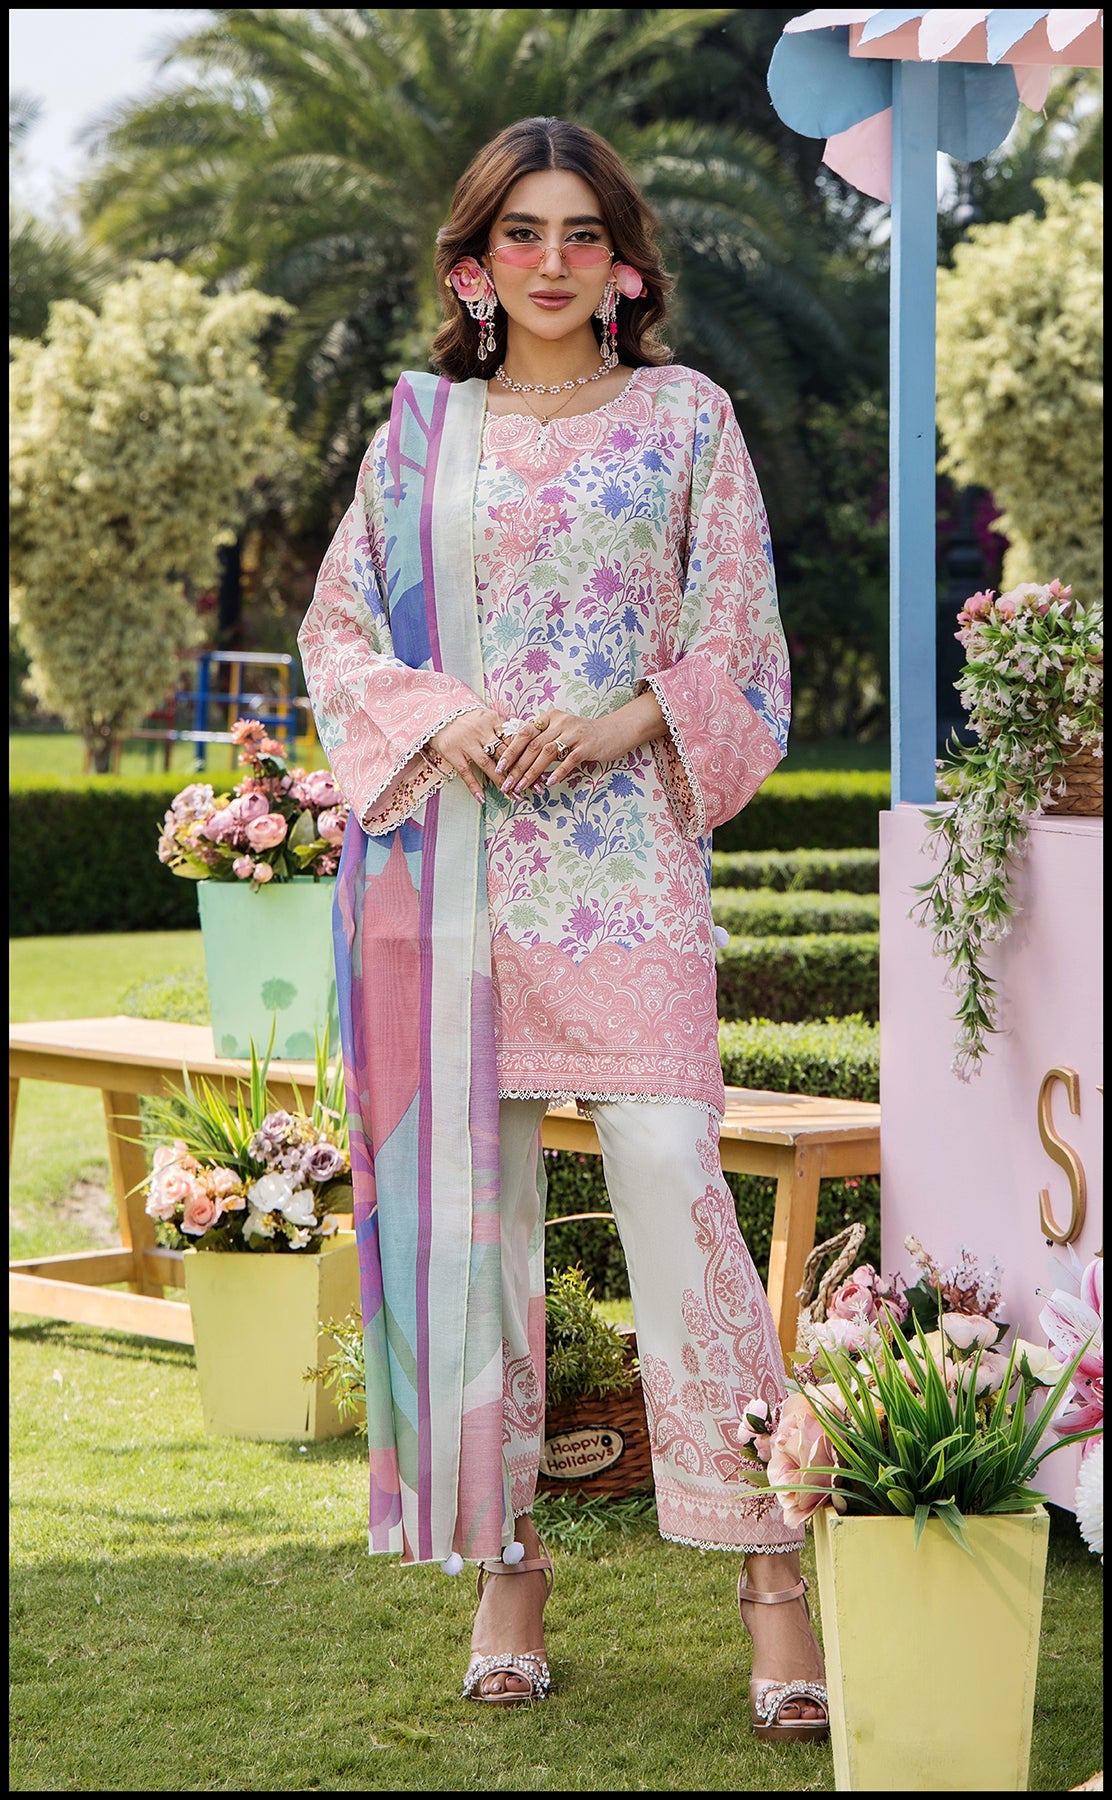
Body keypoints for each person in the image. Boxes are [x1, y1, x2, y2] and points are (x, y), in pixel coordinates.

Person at [298, 115, 828, 1739]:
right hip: (456, 877)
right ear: (474, 263)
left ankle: (774, 1568)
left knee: (671, 1176)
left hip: (625, 860)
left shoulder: (686, 419)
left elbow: (743, 644)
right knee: (486, 1221)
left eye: (581, 233)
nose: (550, 260)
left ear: (624, 263)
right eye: (520, 234)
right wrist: (450, 719)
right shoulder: (418, 438)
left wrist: (616, 725)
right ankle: (507, 1568)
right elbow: (336, 635)